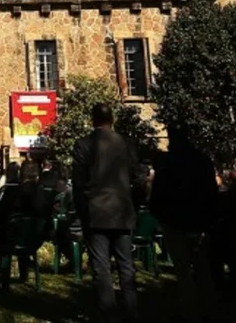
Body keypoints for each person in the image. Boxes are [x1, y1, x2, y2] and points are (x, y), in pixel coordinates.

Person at [72, 103, 142, 323]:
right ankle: (131, 313)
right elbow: (138, 179)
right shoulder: (126, 144)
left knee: (101, 267)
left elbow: (78, 184)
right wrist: (134, 205)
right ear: (112, 119)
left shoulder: (84, 145)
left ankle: (109, 314)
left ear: (93, 120)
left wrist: (82, 212)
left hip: (96, 211)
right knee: (126, 265)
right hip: (121, 210)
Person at [148, 126, 218, 322]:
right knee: (203, 270)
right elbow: (212, 193)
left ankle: (190, 311)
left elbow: (158, 195)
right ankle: (209, 309)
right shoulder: (203, 161)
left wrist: (161, 215)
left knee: (183, 271)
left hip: (175, 221)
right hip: (199, 221)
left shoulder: (168, 164)